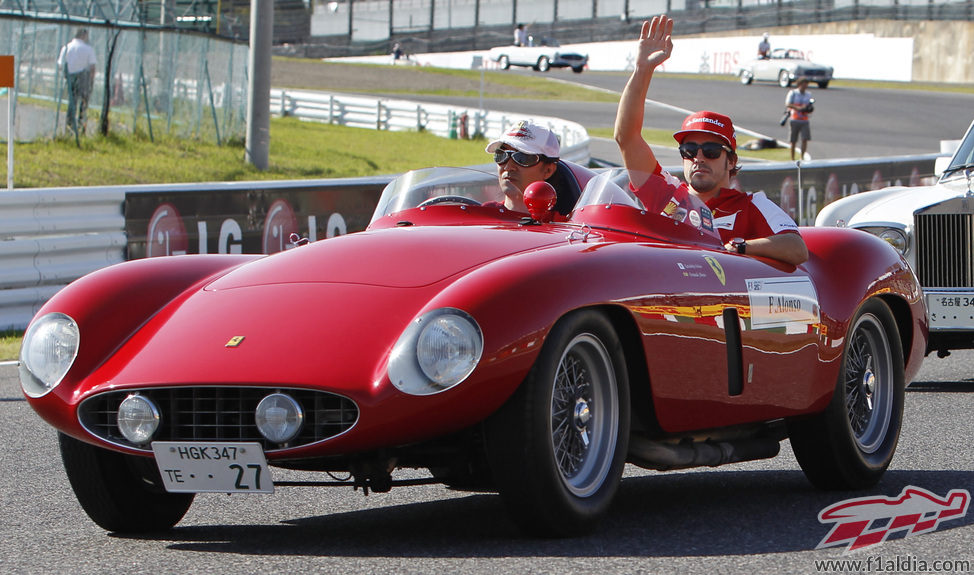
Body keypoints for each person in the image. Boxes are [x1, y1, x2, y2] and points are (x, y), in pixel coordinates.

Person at [614, 15, 808, 266]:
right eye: (689, 149)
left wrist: (741, 247)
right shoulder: (664, 194)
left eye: (712, 150)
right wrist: (642, 69)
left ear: (731, 161)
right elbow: (625, 137)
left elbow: (797, 248)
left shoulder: (751, 205)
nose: (699, 158)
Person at [485, 121, 562, 214]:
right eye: (501, 155)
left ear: (548, 171)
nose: (508, 167)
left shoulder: (561, 225)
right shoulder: (483, 214)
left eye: (522, 157)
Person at [57, 28, 97, 136]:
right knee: (83, 104)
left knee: (72, 103)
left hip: (70, 77)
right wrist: (91, 81)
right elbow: (92, 67)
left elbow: (61, 65)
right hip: (84, 77)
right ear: (83, 35)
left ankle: (69, 127)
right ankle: (81, 127)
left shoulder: (66, 48)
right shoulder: (88, 49)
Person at [785, 77, 813, 161]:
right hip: (794, 118)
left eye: (806, 85)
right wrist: (798, 108)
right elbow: (788, 104)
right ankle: (792, 158)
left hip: (804, 119)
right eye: (804, 85)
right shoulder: (793, 93)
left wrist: (808, 108)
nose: (805, 87)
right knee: (793, 140)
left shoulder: (808, 94)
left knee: (805, 139)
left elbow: (809, 106)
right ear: (800, 84)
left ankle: (802, 157)